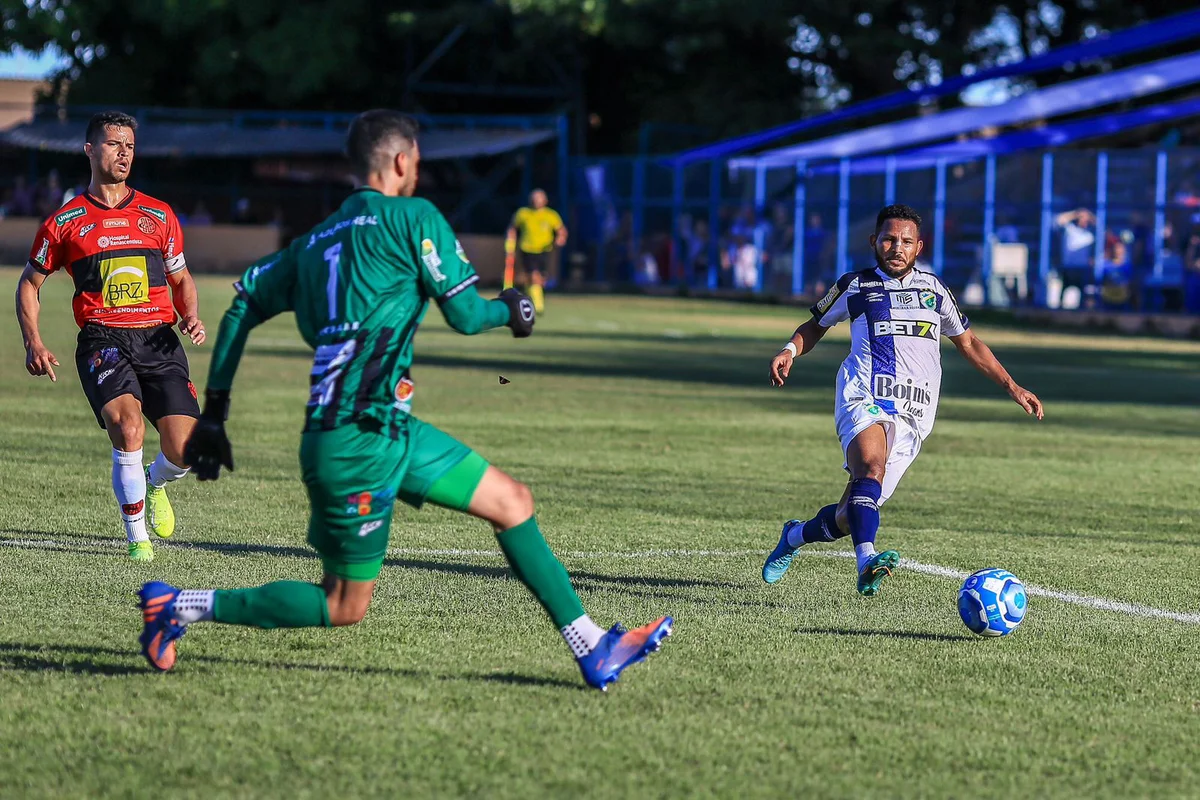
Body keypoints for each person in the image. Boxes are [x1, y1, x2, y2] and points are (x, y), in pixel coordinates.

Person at [137, 110, 671, 691]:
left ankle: (592, 646)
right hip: (359, 441)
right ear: (399, 161)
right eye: (416, 160)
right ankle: (178, 606)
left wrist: (216, 411)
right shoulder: (414, 217)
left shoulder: (316, 239)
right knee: (343, 604)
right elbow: (466, 315)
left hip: (378, 431)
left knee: (511, 501)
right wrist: (510, 310)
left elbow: (241, 305)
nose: (418, 171)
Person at [761, 204, 1043, 596]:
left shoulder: (934, 291)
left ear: (919, 247)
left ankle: (793, 536)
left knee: (849, 514)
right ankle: (866, 562)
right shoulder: (854, 286)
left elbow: (970, 342)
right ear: (874, 241)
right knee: (870, 467)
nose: (897, 247)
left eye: (906, 242)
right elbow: (815, 324)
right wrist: (789, 350)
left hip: (913, 416)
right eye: (890, 239)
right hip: (863, 395)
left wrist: (1013, 387)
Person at [15, 110, 205, 562]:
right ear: (89, 150)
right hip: (103, 339)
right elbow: (29, 282)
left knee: (185, 449)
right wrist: (33, 341)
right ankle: (137, 536)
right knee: (128, 425)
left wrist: (191, 313)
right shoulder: (65, 221)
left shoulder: (158, 215)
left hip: (158, 339)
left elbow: (181, 278)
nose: (124, 153)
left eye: (131, 146)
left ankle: (155, 484)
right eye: (115, 144)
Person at [505, 189, 567, 314]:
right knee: (533, 276)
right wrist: (510, 242)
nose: (536, 201)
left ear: (545, 201)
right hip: (527, 249)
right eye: (534, 198)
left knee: (540, 279)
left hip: (544, 250)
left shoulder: (551, 215)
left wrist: (560, 239)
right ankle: (538, 306)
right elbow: (513, 228)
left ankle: (532, 299)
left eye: (539, 198)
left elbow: (561, 231)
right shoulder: (523, 213)